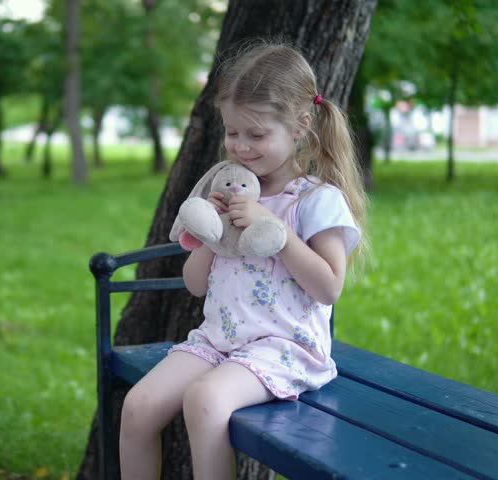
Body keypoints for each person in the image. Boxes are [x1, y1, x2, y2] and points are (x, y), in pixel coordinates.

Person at [119, 42, 368, 480]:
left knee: (204, 400)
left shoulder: (315, 200)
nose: (241, 147)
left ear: (299, 127)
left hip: (284, 349)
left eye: (256, 135)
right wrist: (212, 233)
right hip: (219, 339)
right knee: (138, 407)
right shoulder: (229, 191)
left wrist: (276, 230)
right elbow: (196, 285)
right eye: (233, 133)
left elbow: (329, 286)